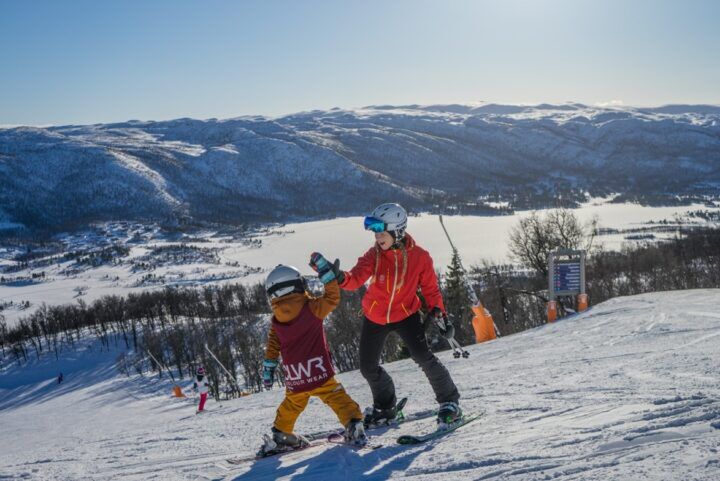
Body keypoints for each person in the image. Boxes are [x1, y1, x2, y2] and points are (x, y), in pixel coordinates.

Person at [337, 203, 462, 427]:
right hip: (375, 316)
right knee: (367, 367)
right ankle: (386, 407)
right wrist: (338, 277)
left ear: (398, 231)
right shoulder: (374, 255)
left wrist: (441, 316)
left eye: (382, 232)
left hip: (407, 314)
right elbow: (355, 278)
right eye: (375, 232)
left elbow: (431, 290)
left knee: (423, 356)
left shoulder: (420, 257)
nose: (377, 237)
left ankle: (450, 403)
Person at [259, 262, 366, 456]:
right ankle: (353, 424)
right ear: (299, 285)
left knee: (292, 404)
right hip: (319, 371)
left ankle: (282, 435)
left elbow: (273, 345)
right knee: (336, 397)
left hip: (296, 377)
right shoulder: (312, 308)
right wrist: (326, 275)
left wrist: (269, 368)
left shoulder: (277, 320)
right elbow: (332, 298)